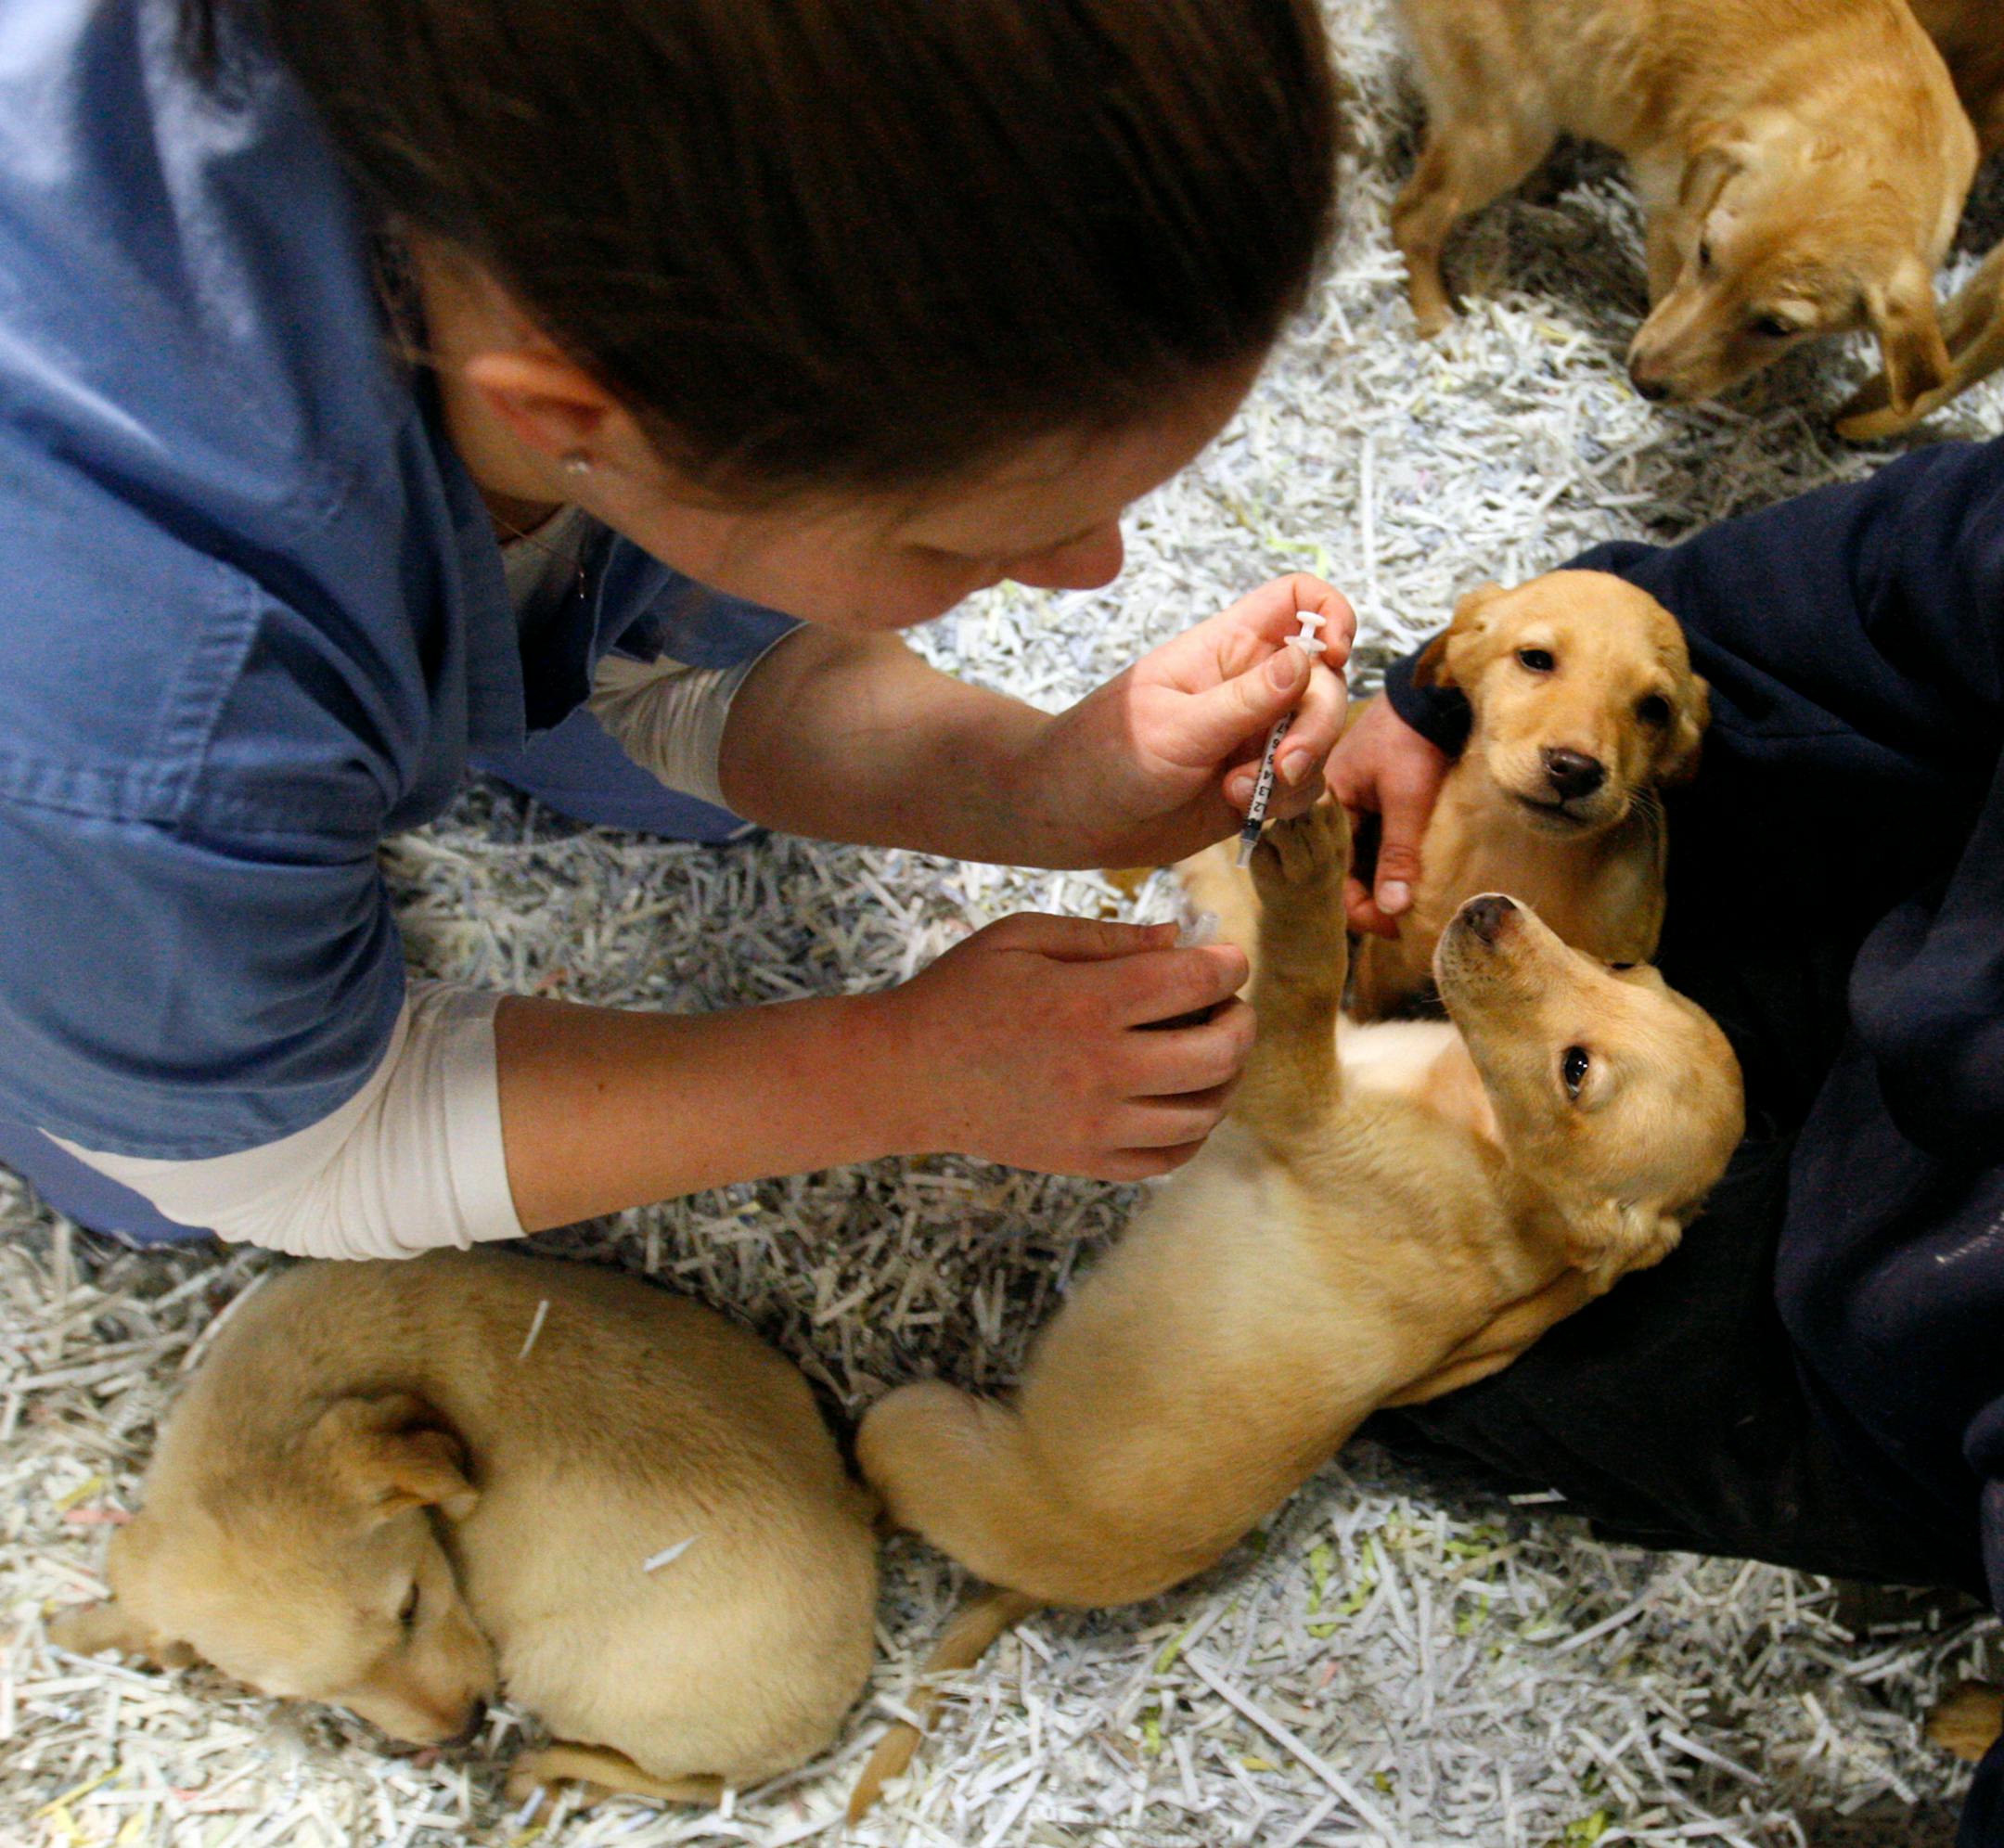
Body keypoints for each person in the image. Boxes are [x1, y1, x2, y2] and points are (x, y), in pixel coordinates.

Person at [0, 0, 1354, 1259]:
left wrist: (1029, 789)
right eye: (954, 539)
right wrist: (897, 1069)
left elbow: (669, 665)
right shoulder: (148, 706)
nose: (1095, 570)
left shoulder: (620, 227)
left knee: (650, 716)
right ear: (569, 416)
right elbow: (302, 1161)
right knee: (151, 1169)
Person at [1330, 435, 2004, 1846]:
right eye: (1525, 669)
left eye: (1643, 722)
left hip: (1920, 1371)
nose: (1582, 738)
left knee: (1387, 1345)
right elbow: (1916, 559)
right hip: (1909, 985)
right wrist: (1416, 692)